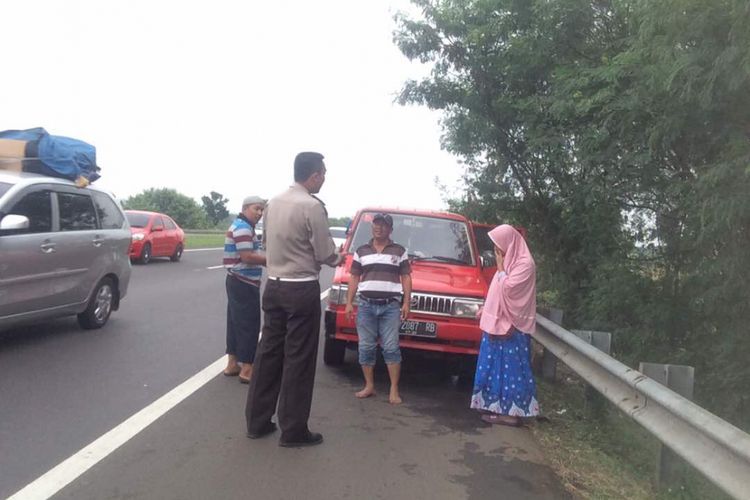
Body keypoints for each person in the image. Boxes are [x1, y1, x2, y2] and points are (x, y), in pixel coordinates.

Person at [245, 151, 344, 447]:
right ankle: (293, 430)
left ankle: (257, 421)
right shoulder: (312, 206)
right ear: (313, 176)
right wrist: (341, 257)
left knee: (268, 354)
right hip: (300, 289)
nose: (324, 178)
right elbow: (325, 253)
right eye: (323, 174)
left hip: (273, 286)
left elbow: (266, 242)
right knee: (298, 359)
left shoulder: (272, 203)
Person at [470, 224, 540, 426]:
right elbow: (496, 291)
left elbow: (508, 289)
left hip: (513, 328)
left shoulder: (525, 265)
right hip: (497, 324)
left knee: (512, 371)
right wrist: (487, 311)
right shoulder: (512, 262)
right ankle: (495, 407)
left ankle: (512, 413)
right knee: (494, 367)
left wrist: (500, 269)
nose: (496, 251)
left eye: (498, 246)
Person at [345, 213, 412, 404]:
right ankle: (369, 386)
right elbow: (354, 277)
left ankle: (393, 389)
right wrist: (349, 302)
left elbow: (406, 277)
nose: (379, 228)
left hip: (390, 306)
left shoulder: (399, 251)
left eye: (383, 225)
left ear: (390, 229)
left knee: (391, 347)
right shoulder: (361, 251)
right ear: (372, 227)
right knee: (365, 347)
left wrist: (406, 302)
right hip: (365, 305)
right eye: (376, 224)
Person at [222, 196, 267, 384]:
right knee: (249, 324)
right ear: (245, 208)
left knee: (234, 322)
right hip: (244, 281)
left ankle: (232, 363)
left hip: (235, 280)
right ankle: (247, 368)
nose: (259, 213)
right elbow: (247, 256)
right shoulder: (243, 228)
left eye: (262, 210)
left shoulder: (241, 225)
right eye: (256, 208)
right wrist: (272, 260)